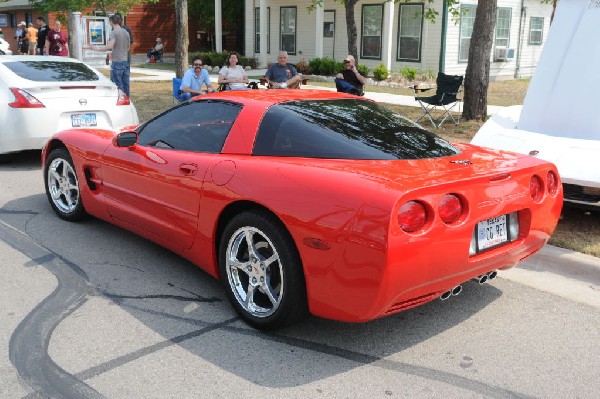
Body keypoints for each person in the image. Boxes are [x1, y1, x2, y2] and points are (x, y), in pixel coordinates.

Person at [84, 15, 130, 96]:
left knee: (117, 85)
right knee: (126, 84)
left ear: (111, 22)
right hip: (125, 62)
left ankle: (120, 101)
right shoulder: (125, 32)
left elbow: (109, 46)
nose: (109, 23)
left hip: (117, 62)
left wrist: (95, 49)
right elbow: (128, 48)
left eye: (109, 22)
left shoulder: (114, 32)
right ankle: (127, 102)